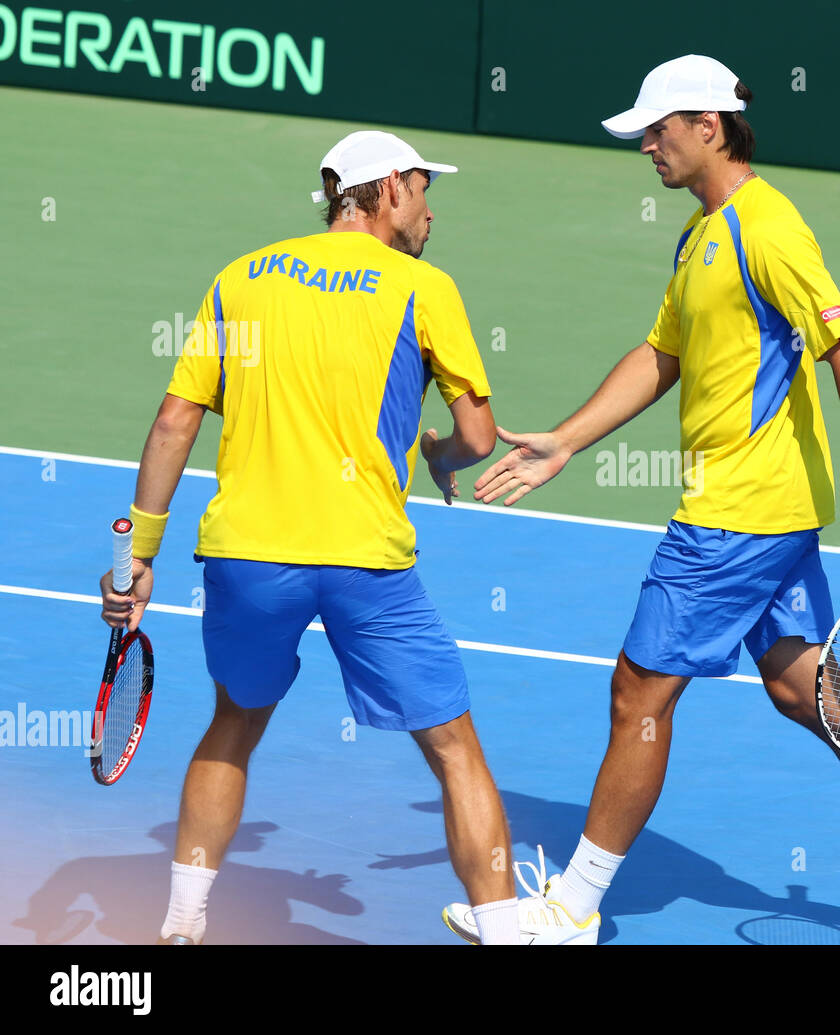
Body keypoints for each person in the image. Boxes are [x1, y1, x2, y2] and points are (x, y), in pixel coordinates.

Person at [441, 56, 840, 946]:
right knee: (804, 686)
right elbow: (660, 354)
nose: (645, 144)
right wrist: (565, 438)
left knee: (639, 692)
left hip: (736, 512)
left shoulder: (769, 227)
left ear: (709, 124)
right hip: (766, 508)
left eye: (658, 128)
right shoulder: (701, 235)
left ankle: (572, 908)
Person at [98, 130, 522, 946]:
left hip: (249, 558)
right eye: (425, 191)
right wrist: (437, 454)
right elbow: (480, 434)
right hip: (366, 560)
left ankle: (183, 920)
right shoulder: (424, 287)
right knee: (454, 747)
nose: (431, 212)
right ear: (388, 188)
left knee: (235, 720)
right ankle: (503, 929)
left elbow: (175, 420)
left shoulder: (241, 278)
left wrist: (137, 556)